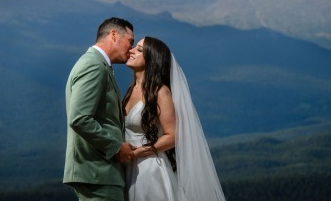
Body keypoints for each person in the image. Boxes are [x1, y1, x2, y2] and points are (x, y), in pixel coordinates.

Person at [123, 36, 226, 201]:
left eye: (139, 49)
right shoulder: (130, 89)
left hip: (149, 170)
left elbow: (173, 136)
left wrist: (140, 151)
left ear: (152, 59)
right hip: (126, 166)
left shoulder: (160, 92)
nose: (132, 50)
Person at [63, 17, 136, 201]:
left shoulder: (98, 65)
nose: (132, 49)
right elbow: (79, 118)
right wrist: (116, 147)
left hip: (99, 173)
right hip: (98, 172)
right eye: (130, 41)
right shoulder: (93, 65)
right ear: (113, 35)